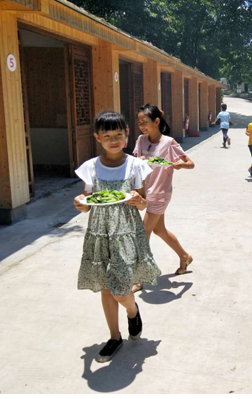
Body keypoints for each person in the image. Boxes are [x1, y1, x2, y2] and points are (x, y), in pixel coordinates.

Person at [73, 111, 161, 363]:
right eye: (107, 136)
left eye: (118, 135)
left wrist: (138, 200)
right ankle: (114, 337)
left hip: (126, 233)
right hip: (99, 233)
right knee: (105, 286)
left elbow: (143, 203)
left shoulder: (135, 165)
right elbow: (88, 201)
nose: (113, 140)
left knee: (121, 290)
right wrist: (80, 203)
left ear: (127, 135)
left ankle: (132, 311)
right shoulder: (90, 167)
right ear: (97, 137)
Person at [133, 104, 195, 282]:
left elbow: (190, 163)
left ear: (156, 122)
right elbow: (136, 165)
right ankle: (184, 256)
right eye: (139, 123)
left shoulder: (169, 143)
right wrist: (138, 162)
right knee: (159, 230)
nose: (142, 126)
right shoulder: (141, 140)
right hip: (145, 192)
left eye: (145, 122)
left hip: (160, 193)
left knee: (143, 233)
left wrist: (180, 165)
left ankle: (140, 277)